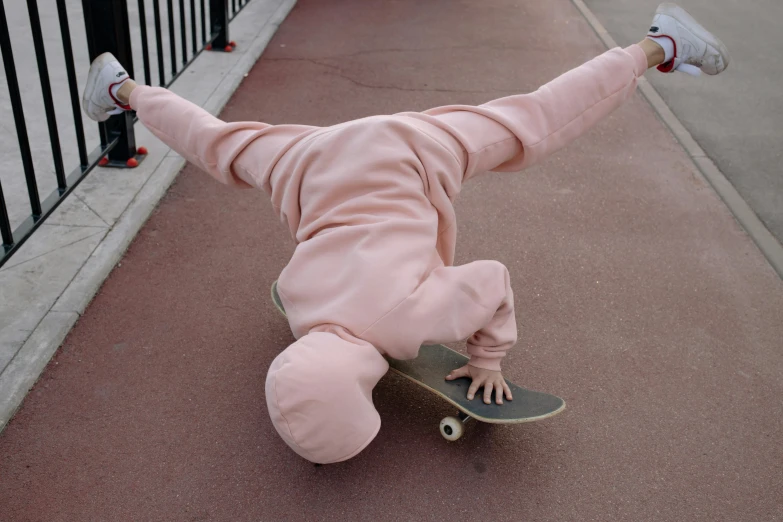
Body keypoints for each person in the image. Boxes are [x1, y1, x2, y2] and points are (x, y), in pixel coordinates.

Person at [82, 3, 729, 464]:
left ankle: (657, 44)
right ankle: (122, 87)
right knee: (217, 144)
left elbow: (493, 280)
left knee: (537, 121)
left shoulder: (408, 316)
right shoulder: (298, 306)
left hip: (411, 151)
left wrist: (487, 359)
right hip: (310, 160)